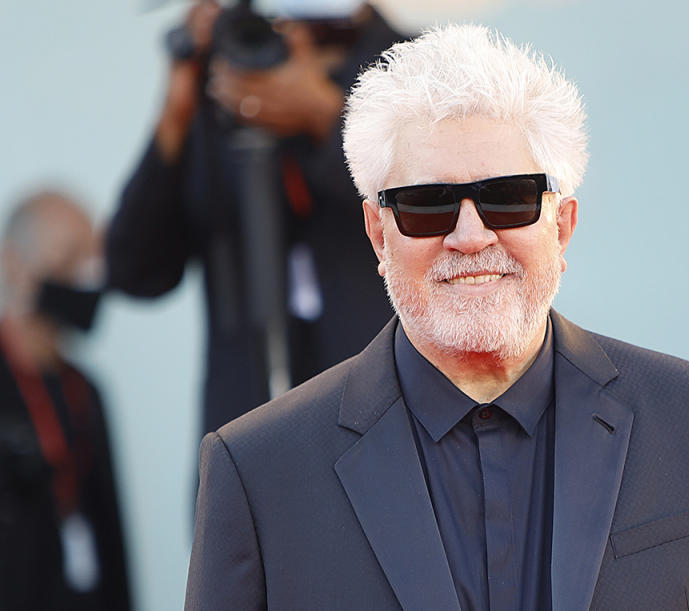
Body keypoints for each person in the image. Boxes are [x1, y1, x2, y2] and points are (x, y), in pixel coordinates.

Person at [185, 24, 689, 610]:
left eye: (510, 198)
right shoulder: (260, 470)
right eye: (428, 205)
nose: (471, 236)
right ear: (379, 234)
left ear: (562, 227)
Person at [106, 0, 401, 437]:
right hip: (246, 417)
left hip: (381, 409)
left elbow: (432, 208)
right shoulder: (225, 77)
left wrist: (326, 115)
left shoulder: (408, 65)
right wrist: (177, 111)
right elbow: (136, 270)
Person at [0, 191, 131, 610]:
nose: (87, 275)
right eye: (70, 256)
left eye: (93, 257)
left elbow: (113, 542)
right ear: (13, 263)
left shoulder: (87, 393)